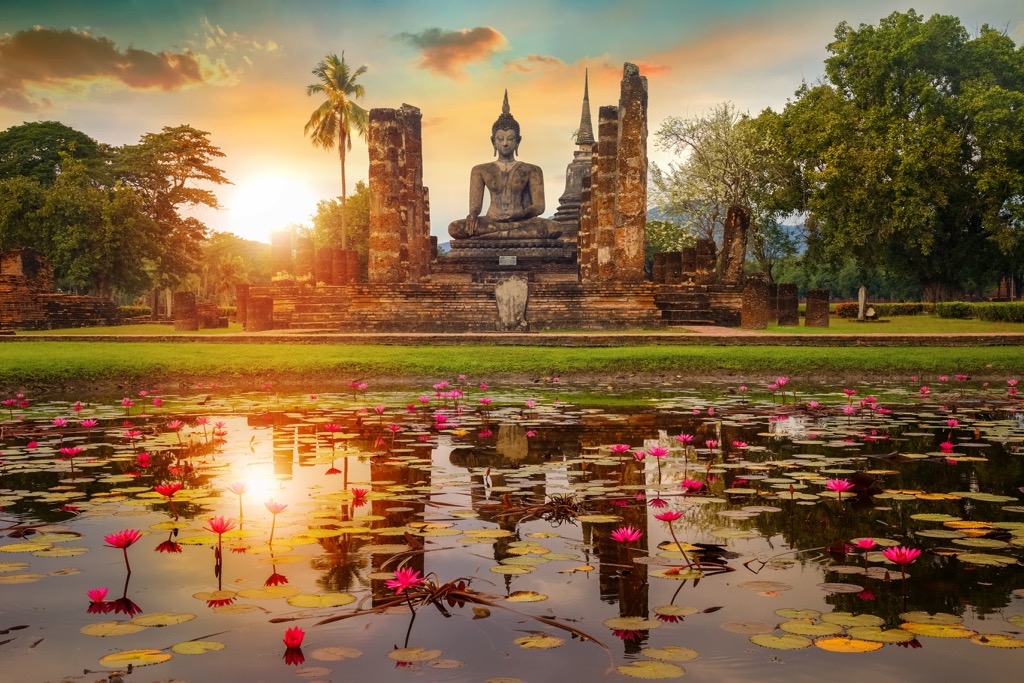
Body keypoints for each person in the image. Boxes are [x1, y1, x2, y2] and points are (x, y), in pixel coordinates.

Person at [448, 91, 561, 241]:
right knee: (455, 228)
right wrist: (472, 215)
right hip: (491, 221)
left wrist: (519, 215)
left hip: (522, 222)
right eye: (500, 139)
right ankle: (504, 235)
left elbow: (539, 207)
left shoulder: (532, 170)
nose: (505, 143)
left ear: (518, 141)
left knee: (555, 228)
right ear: (493, 141)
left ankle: (495, 237)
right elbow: (475, 207)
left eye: (510, 139)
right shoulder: (480, 170)